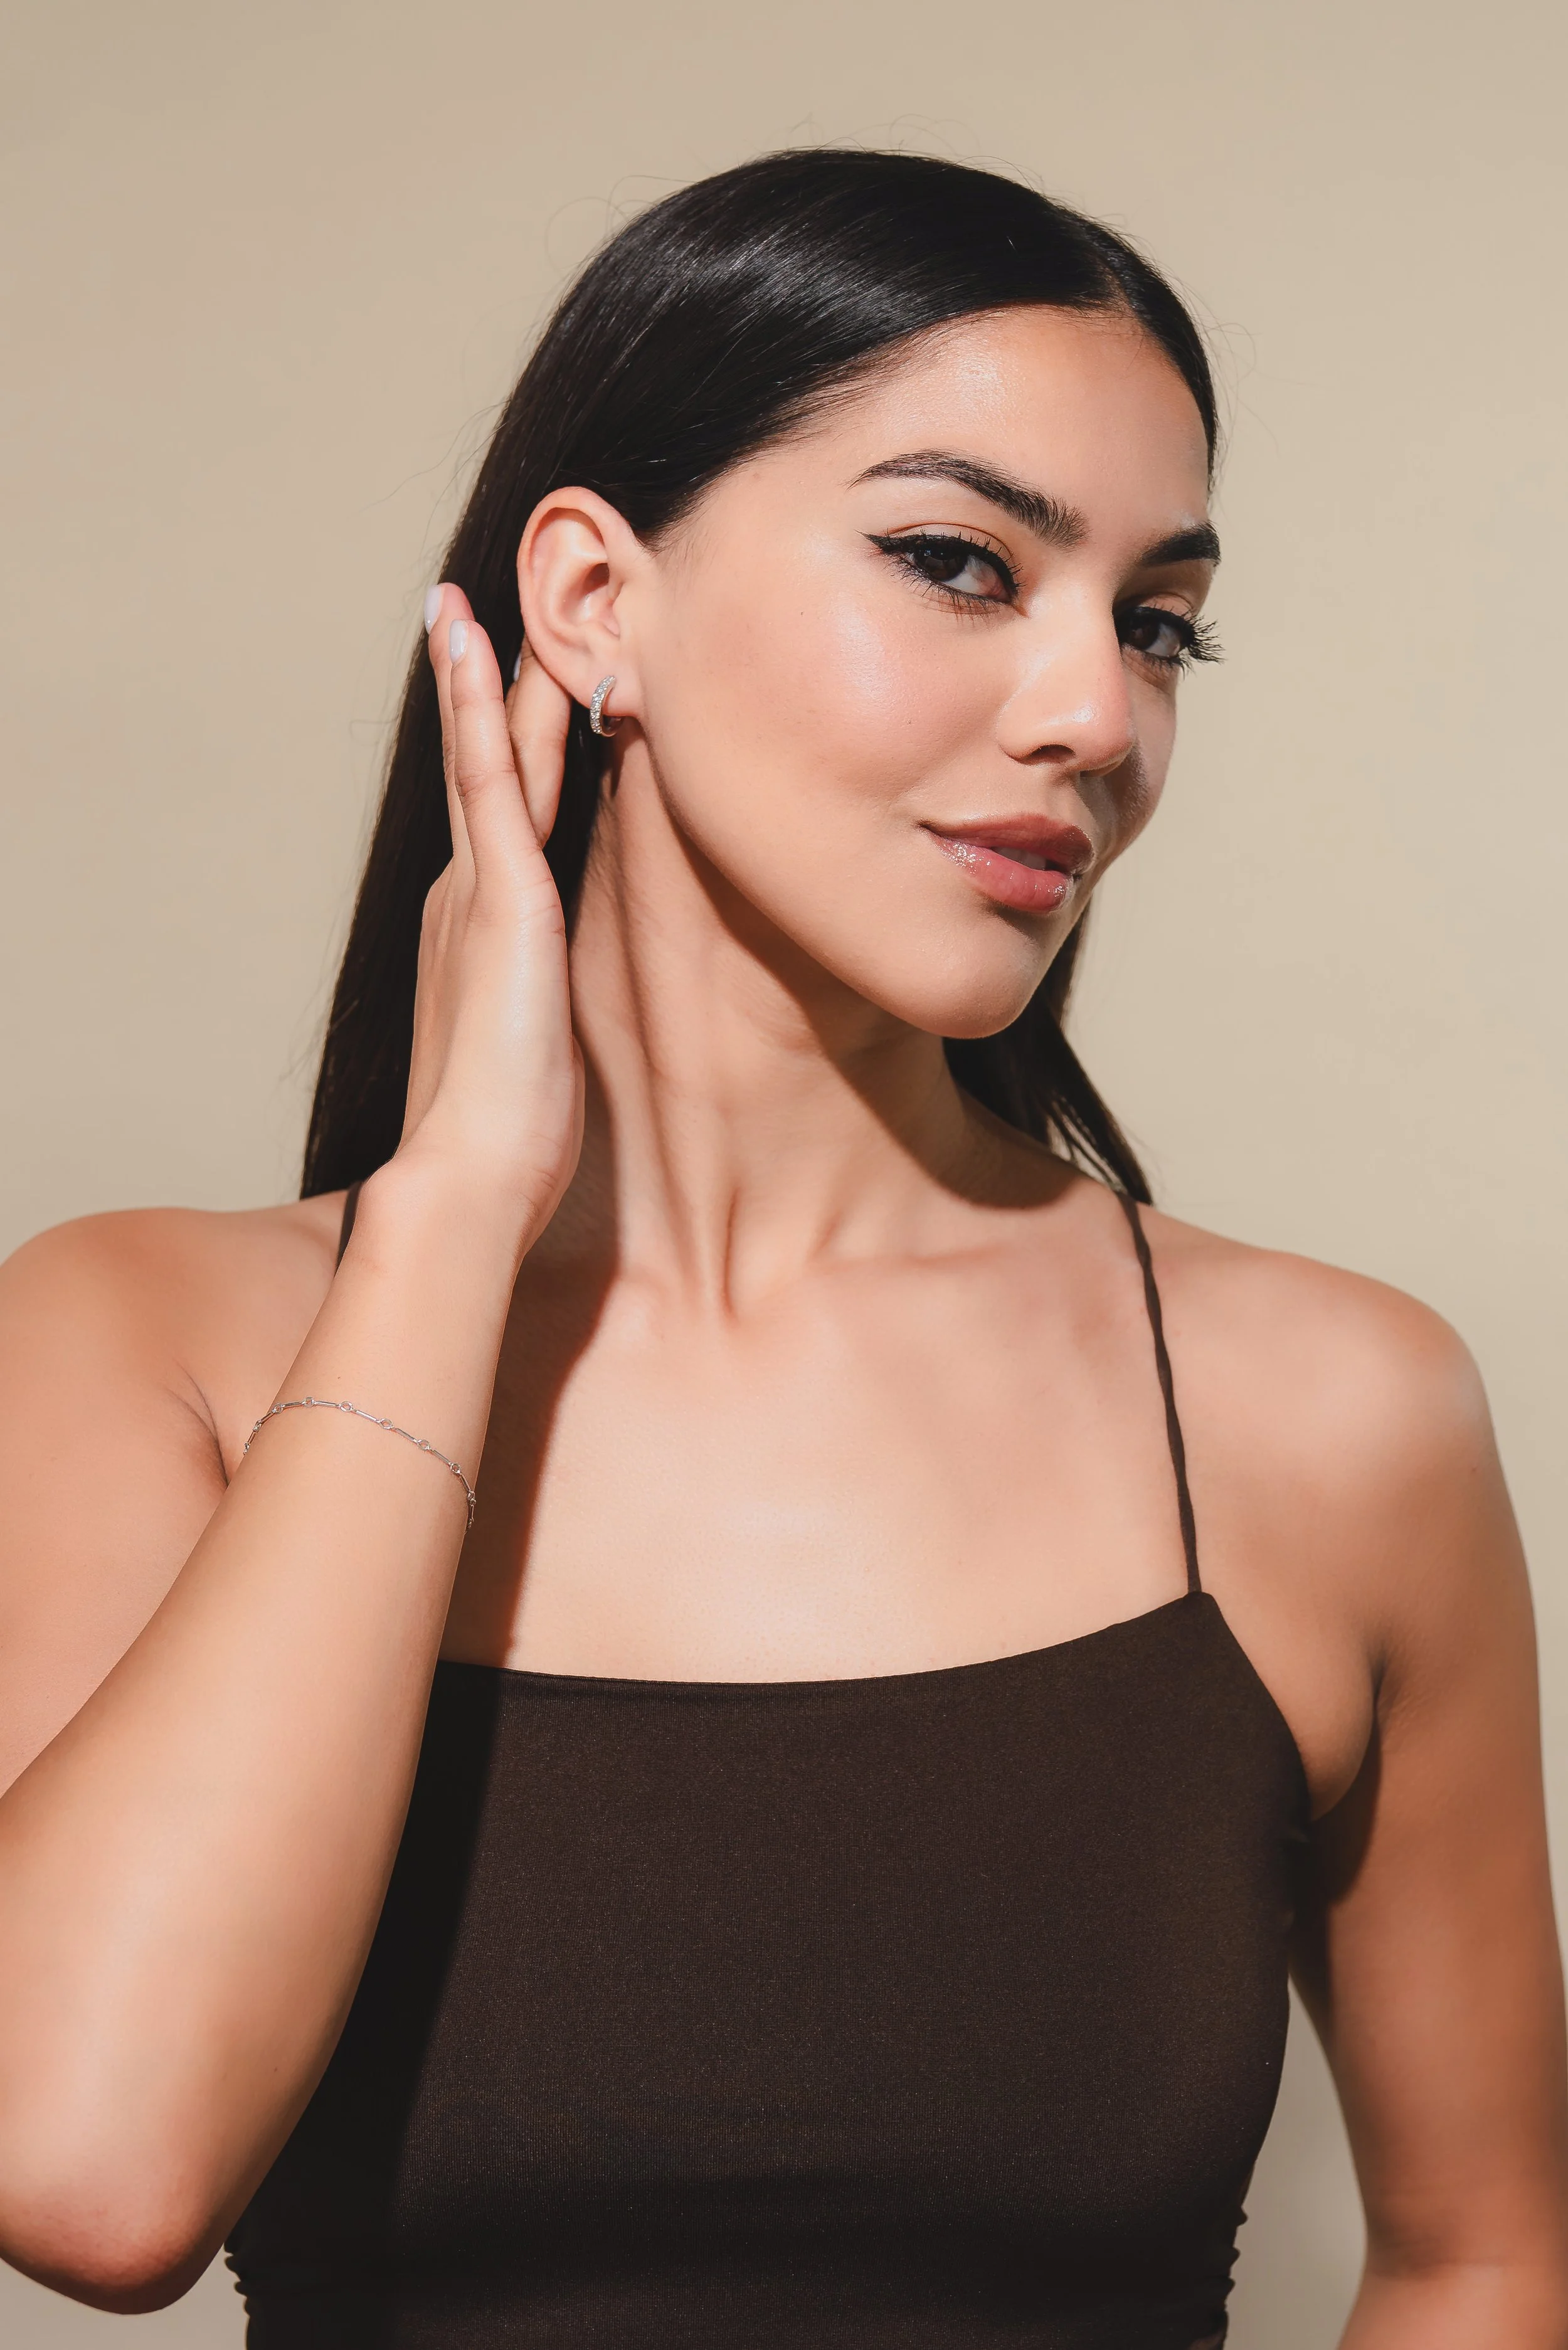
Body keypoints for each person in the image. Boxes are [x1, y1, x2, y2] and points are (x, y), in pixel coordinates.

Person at [0, 148, 1562, 2350]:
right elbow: (86, 2169)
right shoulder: (137, 1346)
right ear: (590, 601)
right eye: (955, 561)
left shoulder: (1326, 1413)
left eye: (1152, 617)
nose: (1093, 718)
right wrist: (448, 1217)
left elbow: (1487, 2252)